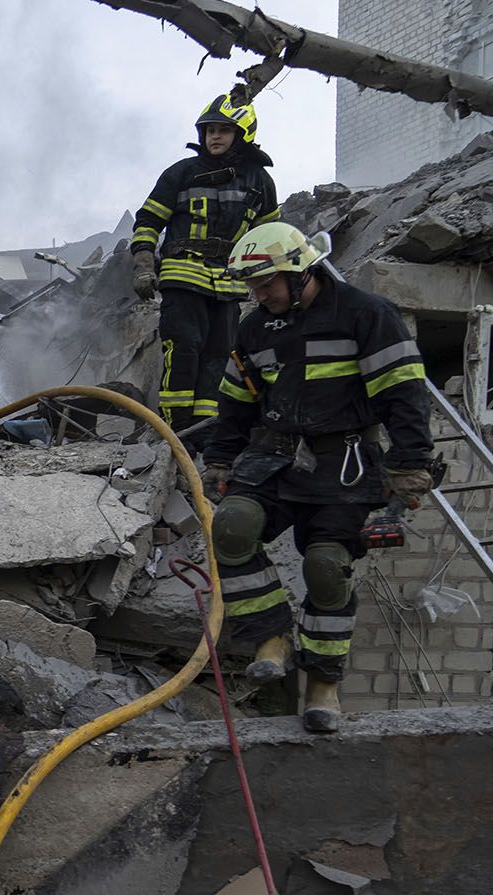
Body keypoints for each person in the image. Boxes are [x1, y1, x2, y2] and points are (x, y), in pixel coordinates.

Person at [204, 222, 433, 732]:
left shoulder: (365, 314)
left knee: (327, 567)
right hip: (273, 457)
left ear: (300, 269)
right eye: (253, 288)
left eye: (268, 284)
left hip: (344, 465)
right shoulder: (255, 327)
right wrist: (220, 459)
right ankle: (271, 636)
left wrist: (411, 461)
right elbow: (236, 402)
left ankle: (323, 684)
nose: (260, 296)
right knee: (233, 526)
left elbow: (403, 391)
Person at [131, 94, 280, 448]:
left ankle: (205, 434)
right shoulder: (181, 173)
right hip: (183, 278)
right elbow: (149, 221)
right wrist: (142, 265)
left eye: (223, 130)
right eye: (210, 130)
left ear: (242, 133)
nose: (215, 137)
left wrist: (273, 282)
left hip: (228, 286)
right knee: (183, 350)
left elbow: (269, 236)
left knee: (219, 360)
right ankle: (175, 433)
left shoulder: (259, 181)